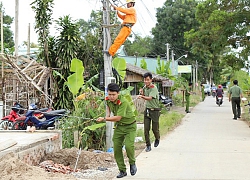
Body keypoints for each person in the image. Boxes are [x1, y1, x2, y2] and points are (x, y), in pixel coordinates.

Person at [96, 83, 137, 178]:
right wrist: (106, 116)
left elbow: (118, 117)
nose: (111, 97)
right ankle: (122, 170)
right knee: (117, 148)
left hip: (130, 126)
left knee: (129, 146)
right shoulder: (108, 100)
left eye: (113, 94)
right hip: (119, 127)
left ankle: (132, 163)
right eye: (109, 94)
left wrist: (104, 119)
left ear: (118, 93)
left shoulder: (123, 102)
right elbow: (108, 108)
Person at [138, 72, 161, 152]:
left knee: (155, 129)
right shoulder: (145, 87)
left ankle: (157, 138)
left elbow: (150, 98)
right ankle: (148, 145)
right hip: (147, 110)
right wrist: (141, 92)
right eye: (145, 80)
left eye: (148, 80)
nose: (146, 81)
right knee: (146, 129)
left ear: (151, 80)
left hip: (155, 110)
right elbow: (144, 94)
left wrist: (142, 96)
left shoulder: (153, 88)